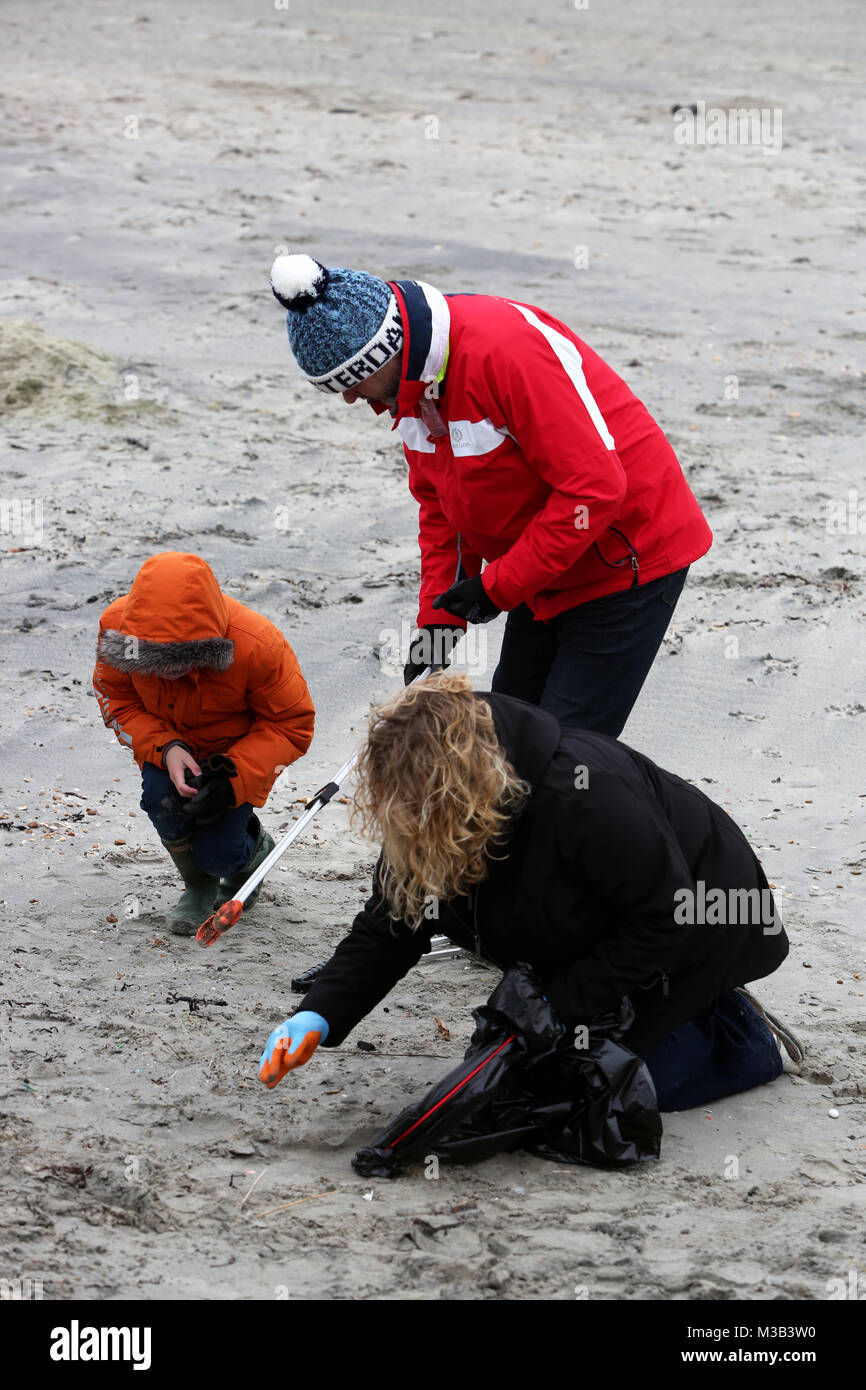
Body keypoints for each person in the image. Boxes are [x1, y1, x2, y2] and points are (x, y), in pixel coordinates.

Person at [258, 674, 802, 1110]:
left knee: (591, 1089)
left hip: (702, 925)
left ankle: (742, 1034)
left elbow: (665, 915)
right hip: (593, 926)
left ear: (470, 795)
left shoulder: (584, 792)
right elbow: (391, 925)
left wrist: (554, 1008)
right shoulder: (422, 803)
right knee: (525, 1075)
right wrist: (320, 1013)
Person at [269, 253, 713, 736]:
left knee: (567, 760)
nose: (353, 400)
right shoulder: (412, 387)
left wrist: (496, 588)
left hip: (626, 560)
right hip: (538, 568)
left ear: (385, 351)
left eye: (351, 384)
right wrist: (438, 623)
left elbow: (595, 491)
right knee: (508, 742)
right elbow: (443, 509)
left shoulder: (504, 352)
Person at [93, 551, 315, 934]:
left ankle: (254, 850)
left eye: (183, 655)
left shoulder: (256, 643)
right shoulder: (119, 629)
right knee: (161, 802)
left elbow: (292, 724)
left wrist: (234, 776)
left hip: (232, 760)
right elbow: (115, 697)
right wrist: (168, 748)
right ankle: (197, 886)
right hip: (166, 746)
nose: (168, 669)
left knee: (221, 854)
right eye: (156, 657)